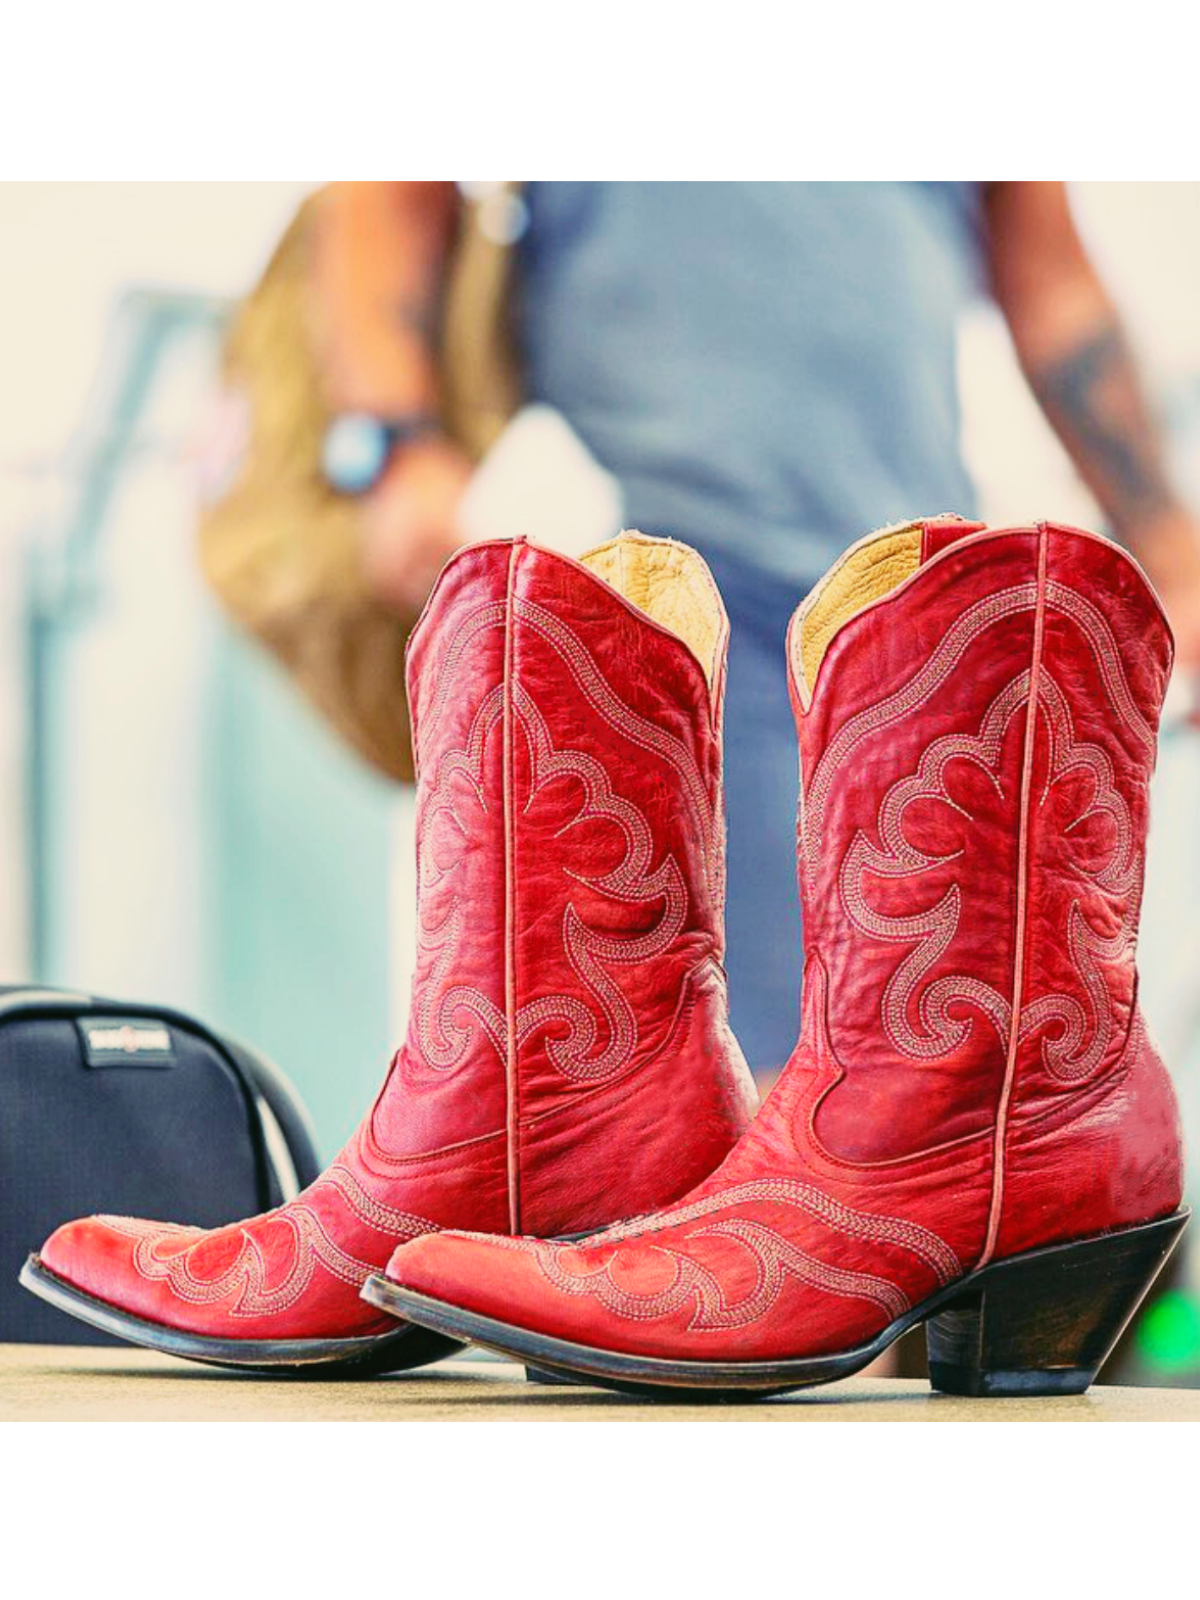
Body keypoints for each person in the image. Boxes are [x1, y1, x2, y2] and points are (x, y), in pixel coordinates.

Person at [311, 180, 1200, 1077]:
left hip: (913, 623)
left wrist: (1175, 556)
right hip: (656, 618)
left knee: (919, 1083)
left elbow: (1051, 285)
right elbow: (389, 189)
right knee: (720, 1098)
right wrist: (393, 443)